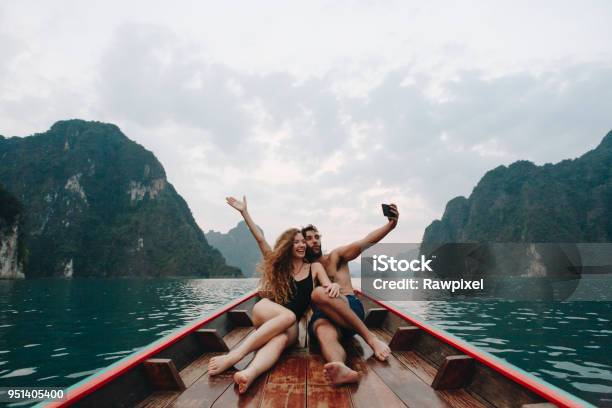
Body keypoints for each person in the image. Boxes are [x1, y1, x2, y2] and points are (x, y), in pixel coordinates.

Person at [226, 196, 399, 385]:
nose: (314, 241)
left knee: (316, 295)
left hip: (349, 308)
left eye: (317, 237)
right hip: (322, 315)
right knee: (324, 332)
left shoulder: (335, 257)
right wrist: (245, 213)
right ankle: (338, 366)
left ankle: (371, 338)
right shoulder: (298, 267)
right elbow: (262, 242)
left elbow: (365, 242)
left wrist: (390, 226)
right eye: (308, 239)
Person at [208, 214, 339, 394]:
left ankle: (249, 373)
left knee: (280, 340)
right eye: (295, 242)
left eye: (303, 241)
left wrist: (334, 285)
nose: (301, 245)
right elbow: (260, 240)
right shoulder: (279, 266)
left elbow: (327, 285)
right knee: (288, 315)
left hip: (289, 327)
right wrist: (244, 213)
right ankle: (235, 356)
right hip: (267, 313)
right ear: (287, 246)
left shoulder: (315, 268)